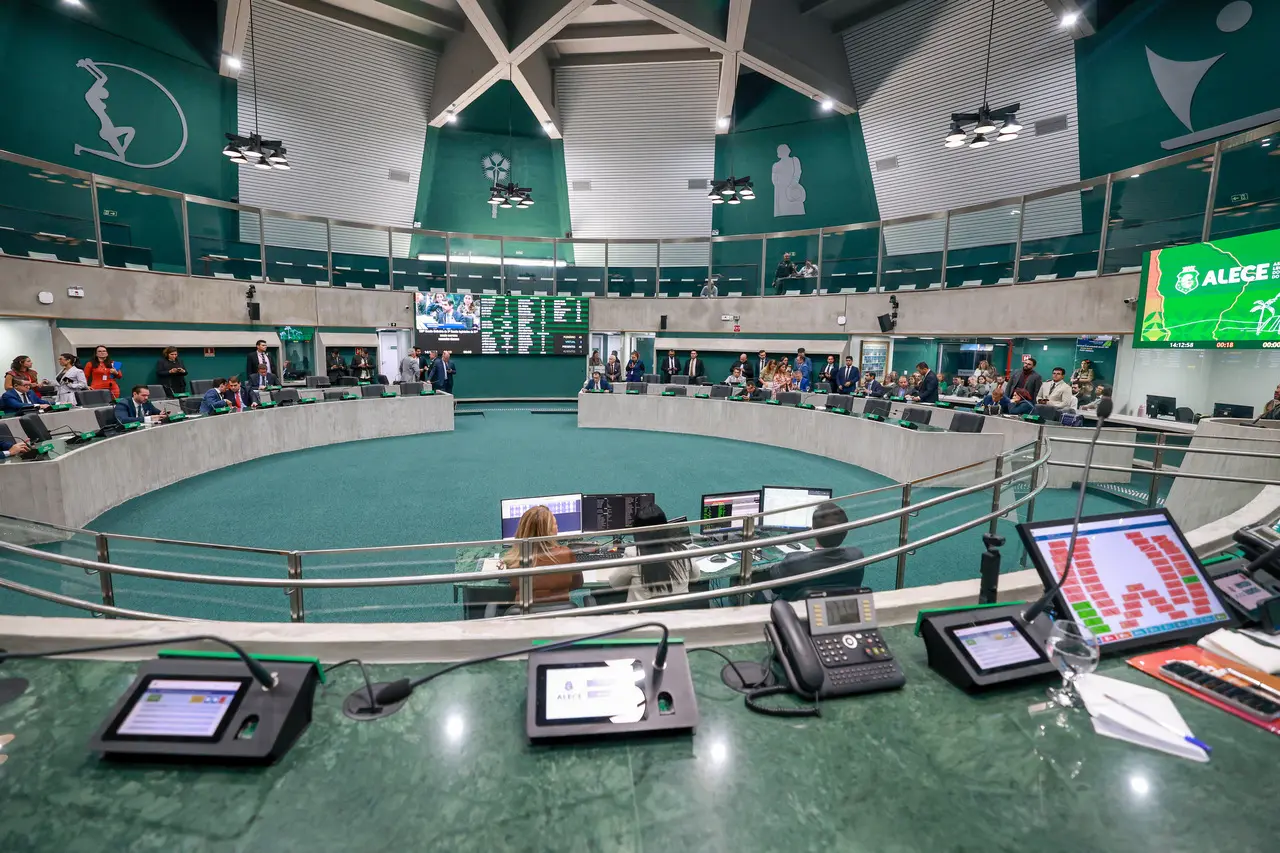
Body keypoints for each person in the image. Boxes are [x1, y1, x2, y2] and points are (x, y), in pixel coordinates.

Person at [764, 502, 865, 600]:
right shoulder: (857, 557)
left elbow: (776, 588)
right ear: (846, 531)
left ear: (813, 532)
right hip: (838, 608)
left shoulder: (794, 561)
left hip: (797, 612)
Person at [609, 504, 700, 603]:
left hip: (642, 618)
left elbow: (615, 584)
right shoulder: (683, 551)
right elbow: (695, 578)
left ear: (637, 531)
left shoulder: (633, 554)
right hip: (676, 616)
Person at [499, 505, 583, 604]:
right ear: (548, 531)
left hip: (526, 616)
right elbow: (577, 583)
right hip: (560, 615)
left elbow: (514, 585)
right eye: (555, 524)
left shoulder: (513, 559)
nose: (558, 527)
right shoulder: (566, 553)